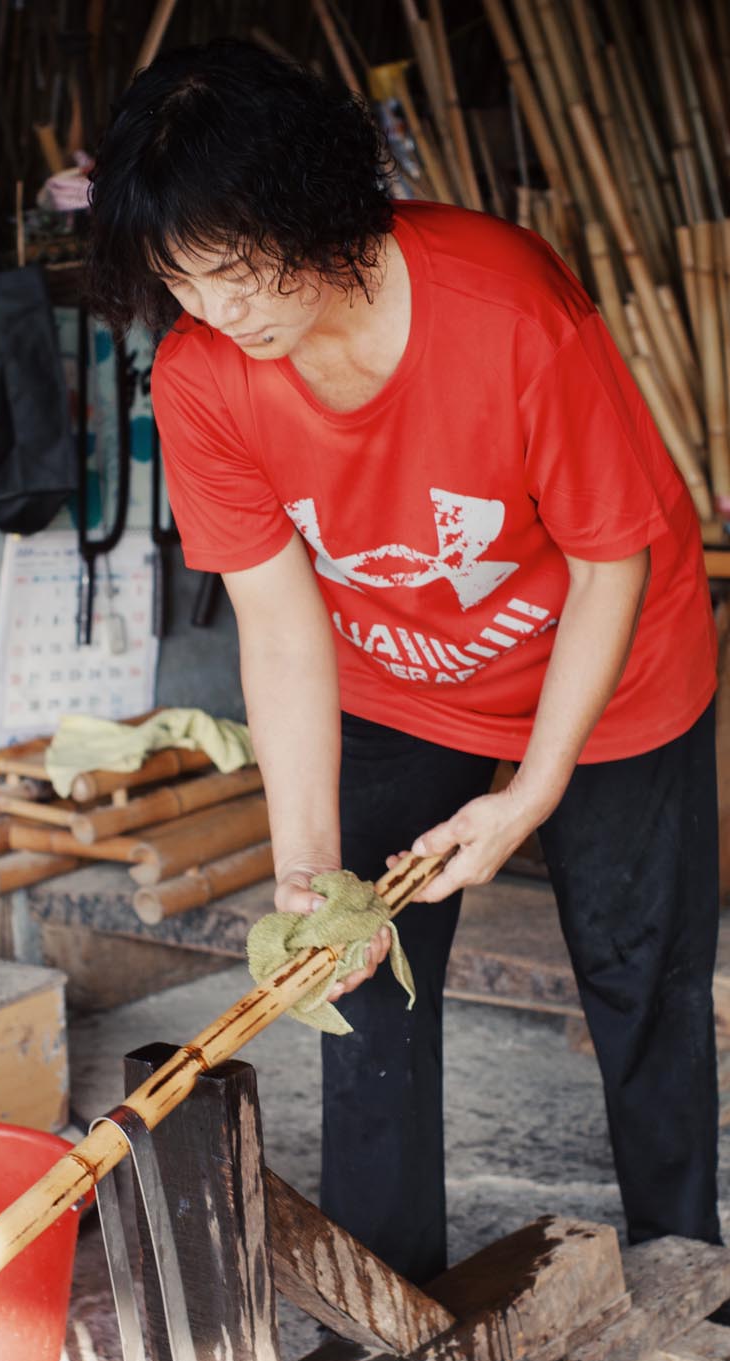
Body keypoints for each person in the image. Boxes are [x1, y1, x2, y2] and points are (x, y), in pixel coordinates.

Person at [85, 37, 723, 1290]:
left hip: (605, 658)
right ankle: (392, 1305)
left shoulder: (508, 312)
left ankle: (681, 1255)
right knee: (360, 975)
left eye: (235, 272)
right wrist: (303, 866)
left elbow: (611, 564)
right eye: (184, 284)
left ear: (314, 205)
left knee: (637, 968)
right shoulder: (202, 375)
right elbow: (277, 623)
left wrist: (530, 792)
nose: (220, 313)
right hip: (395, 677)